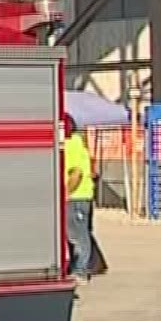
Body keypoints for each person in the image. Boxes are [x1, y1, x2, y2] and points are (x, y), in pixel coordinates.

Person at [62, 114, 97, 280]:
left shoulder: (72, 145)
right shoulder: (77, 143)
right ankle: (77, 266)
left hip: (77, 197)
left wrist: (66, 193)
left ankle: (81, 270)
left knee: (77, 235)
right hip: (80, 196)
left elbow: (76, 173)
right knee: (75, 234)